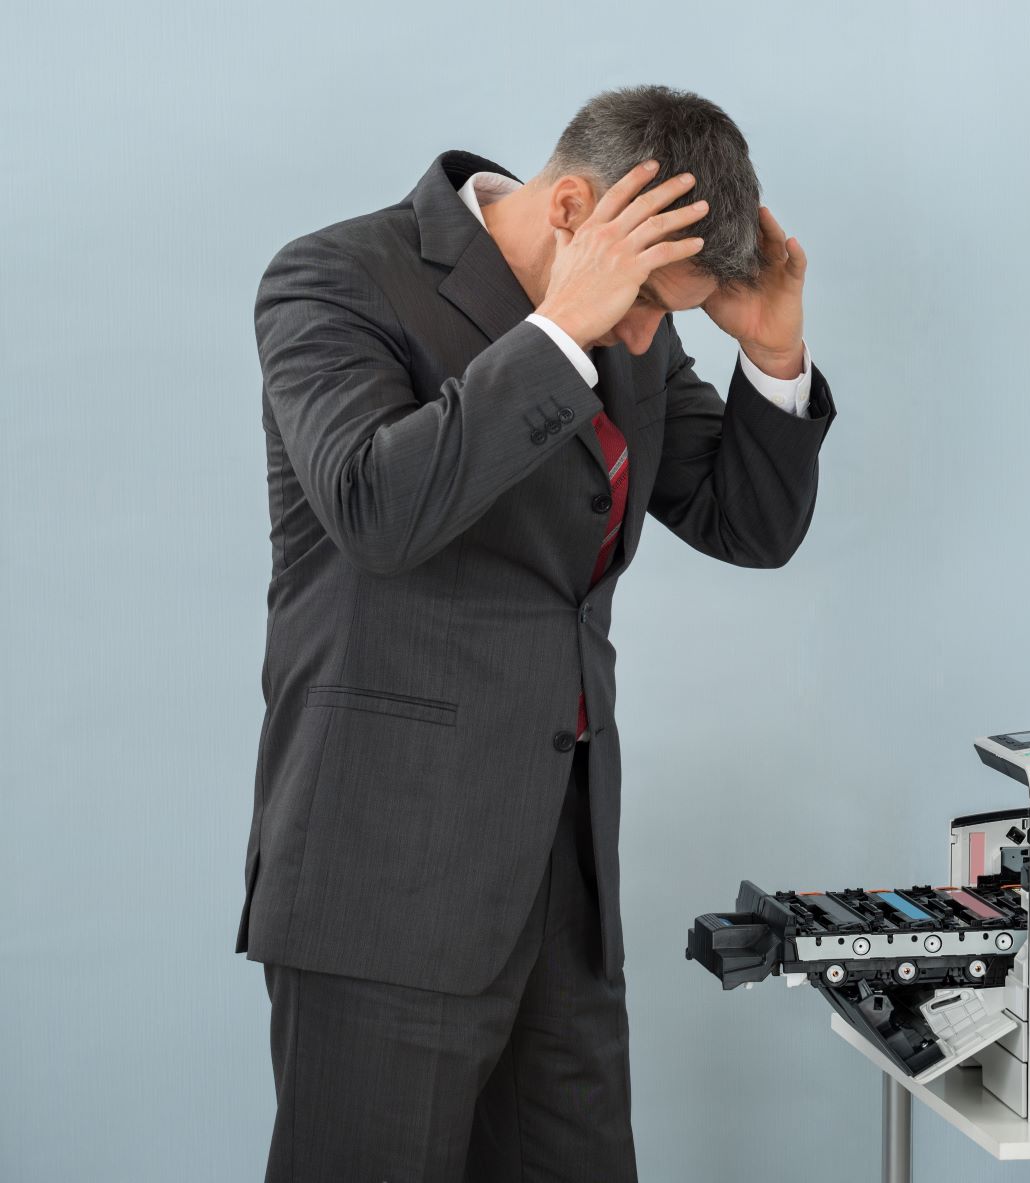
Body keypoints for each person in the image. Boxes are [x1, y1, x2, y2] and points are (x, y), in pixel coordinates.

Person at [237, 85, 834, 1181]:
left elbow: (745, 522)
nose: (649, 333)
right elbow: (377, 508)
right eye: (646, 302)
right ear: (569, 209)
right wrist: (560, 332)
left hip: (562, 882)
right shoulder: (334, 277)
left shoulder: (633, 318)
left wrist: (772, 356)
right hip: (386, 878)